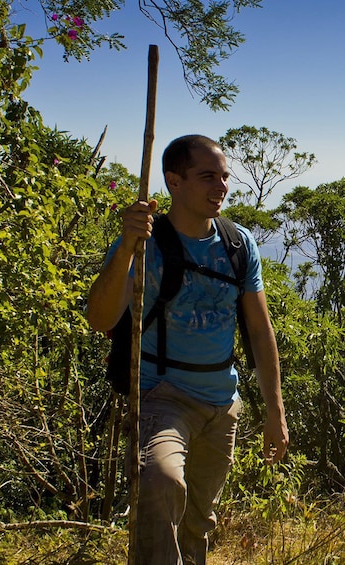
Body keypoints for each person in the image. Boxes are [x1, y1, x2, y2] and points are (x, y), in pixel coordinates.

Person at [86, 134, 288, 564]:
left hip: (221, 403)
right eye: (207, 176)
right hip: (162, 395)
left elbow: (259, 328)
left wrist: (276, 412)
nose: (222, 187)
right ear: (173, 181)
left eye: (225, 177)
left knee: (197, 521)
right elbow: (101, 319)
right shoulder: (144, 243)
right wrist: (126, 247)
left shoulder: (238, 244)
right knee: (160, 485)